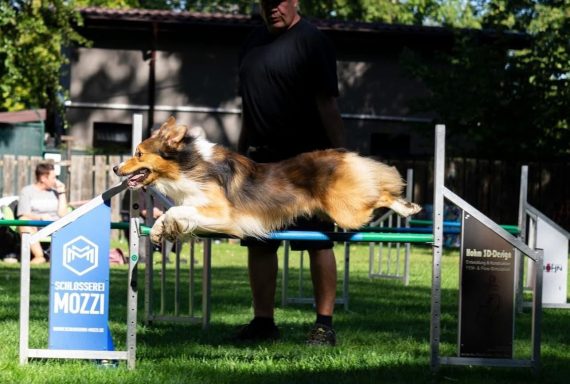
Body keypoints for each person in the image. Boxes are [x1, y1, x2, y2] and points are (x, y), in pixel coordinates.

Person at [237, 0, 345, 346]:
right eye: (266, 2)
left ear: (295, 1)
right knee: (260, 244)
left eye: (280, 1)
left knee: (318, 242)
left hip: (306, 168)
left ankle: (323, 325)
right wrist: (241, 157)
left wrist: (342, 157)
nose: (273, 8)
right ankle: (263, 322)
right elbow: (247, 108)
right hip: (260, 166)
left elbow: (327, 103)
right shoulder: (251, 42)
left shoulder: (312, 41)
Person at [17, 162, 68, 264]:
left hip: (56, 226)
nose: (56, 180)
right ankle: (39, 256)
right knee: (22, 221)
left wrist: (61, 192)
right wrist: (40, 217)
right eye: (53, 177)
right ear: (43, 178)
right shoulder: (27, 191)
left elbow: (63, 214)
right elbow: (23, 214)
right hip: (36, 226)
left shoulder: (55, 192)